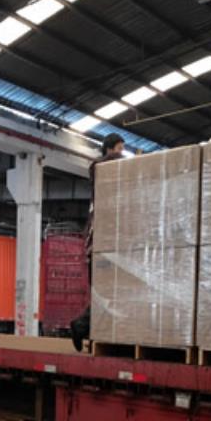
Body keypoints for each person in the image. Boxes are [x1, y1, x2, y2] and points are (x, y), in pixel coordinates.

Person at [71, 133, 126, 352]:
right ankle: (81, 325)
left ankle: (87, 329)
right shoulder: (100, 168)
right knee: (105, 294)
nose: (121, 153)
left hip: (104, 248)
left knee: (108, 294)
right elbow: (104, 163)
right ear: (110, 148)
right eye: (119, 148)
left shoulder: (108, 201)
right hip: (99, 249)